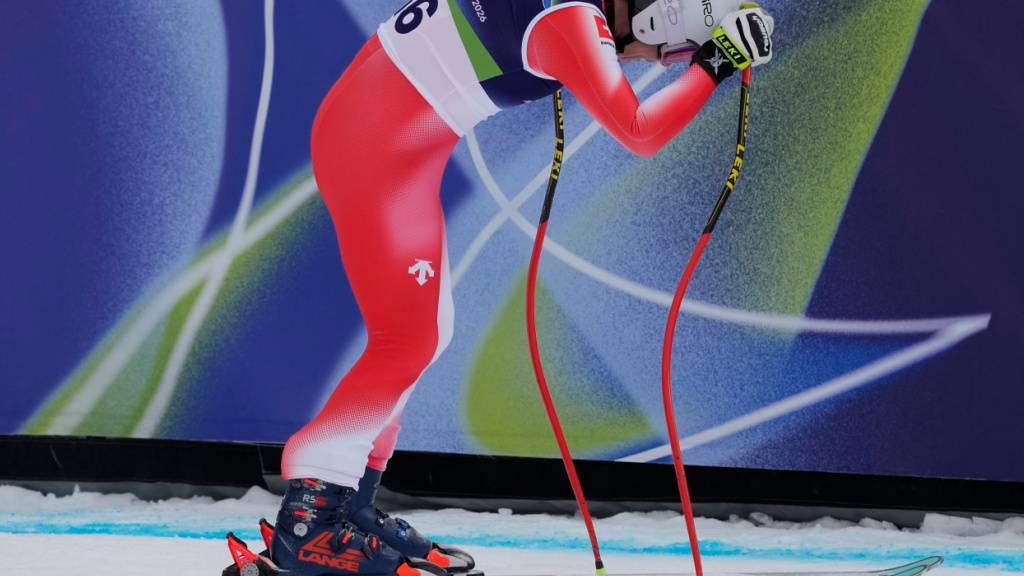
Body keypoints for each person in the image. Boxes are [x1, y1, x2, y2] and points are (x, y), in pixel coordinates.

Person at [236, 1, 775, 575]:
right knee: (408, 342)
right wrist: (718, 61)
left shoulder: (574, 14)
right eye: (674, 51)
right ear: (655, 19)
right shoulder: (573, 19)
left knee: (425, 335)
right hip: (377, 147)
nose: (662, 63)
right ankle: (311, 518)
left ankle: (348, 503)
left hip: (389, 141)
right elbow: (640, 131)